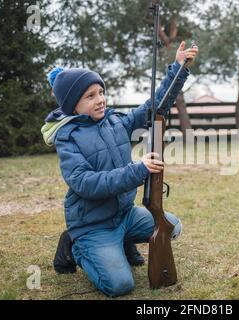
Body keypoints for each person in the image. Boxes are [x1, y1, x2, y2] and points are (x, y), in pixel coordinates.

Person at [40, 42, 198, 297]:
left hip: (124, 215)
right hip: (93, 224)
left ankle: (123, 240)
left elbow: (153, 106)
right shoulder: (67, 138)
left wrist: (178, 68)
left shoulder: (115, 121)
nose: (100, 100)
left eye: (101, 92)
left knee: (173, 227)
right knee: (120, 285)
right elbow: (84, 183)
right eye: (90, 96)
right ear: (72, 104)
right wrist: (138, 170)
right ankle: (75, 245)